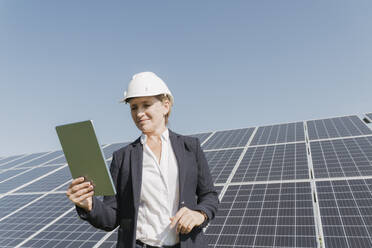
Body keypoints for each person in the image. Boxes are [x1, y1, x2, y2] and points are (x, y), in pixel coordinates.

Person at [66, 72, 219, 248]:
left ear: (165, 106)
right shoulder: (122, 157)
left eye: (146, 105)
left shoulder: (190, 148)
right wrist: (89, 205)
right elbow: (111, 218)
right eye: (133, 107)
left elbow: (209, 196)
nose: (139, 113)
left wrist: (199, 214)